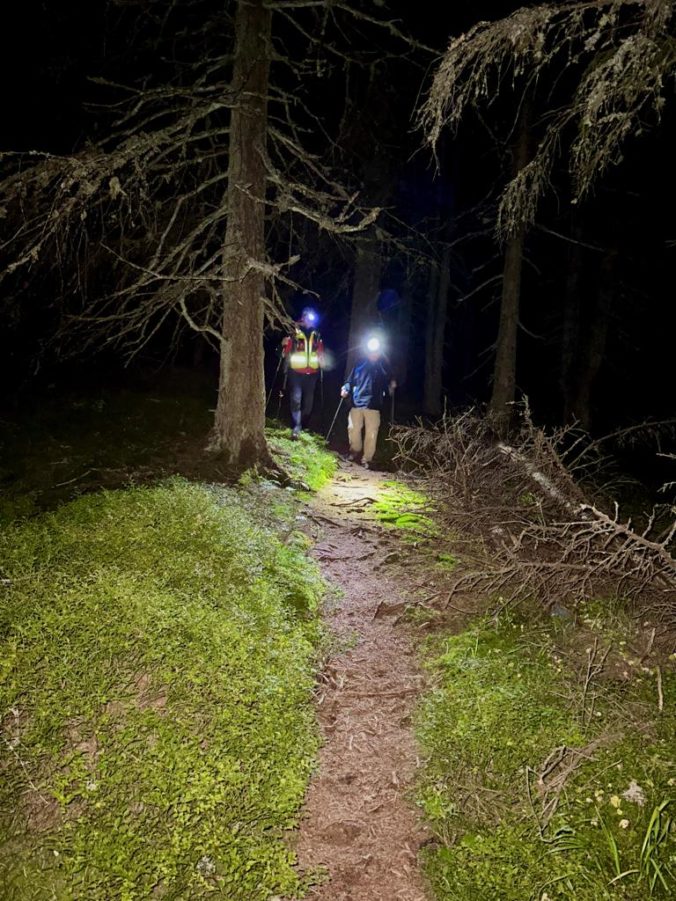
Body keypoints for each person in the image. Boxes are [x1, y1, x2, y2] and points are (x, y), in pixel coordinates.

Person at [341, 336, 396, 469]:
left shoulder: (383, 367)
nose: (374, 353)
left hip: (374, 406)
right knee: (353, 429)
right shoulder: (359, 365)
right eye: (371, 350)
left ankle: (367, 459)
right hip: (357, 403)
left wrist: (391, 387)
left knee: (371, 434)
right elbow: (349, 381)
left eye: (376, 351)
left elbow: (389, 384)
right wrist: (345, 388)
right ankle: (354, 451)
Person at [281, 306, 325, 439]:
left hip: (311, 373)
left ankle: (302, 424)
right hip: (296, 372)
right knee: (296, 400)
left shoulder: (316, 334)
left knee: (308, 405)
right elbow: (285, 351)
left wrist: (321, 358)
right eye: (308, 317)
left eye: (312, 318)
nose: (310, 320)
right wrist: (283, 346)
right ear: (303, 317)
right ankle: (296, 427)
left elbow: (320, 351)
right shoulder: (294, 332)